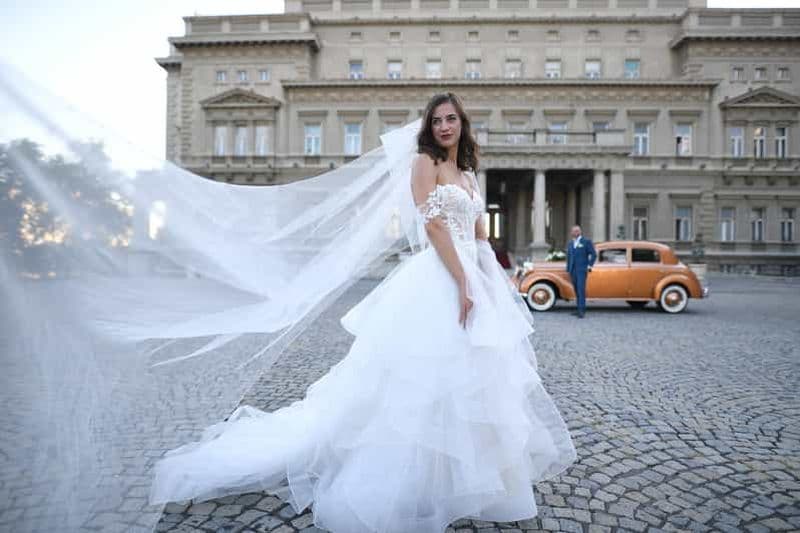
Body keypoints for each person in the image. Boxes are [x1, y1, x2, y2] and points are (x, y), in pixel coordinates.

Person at [148, 93, 578, 532]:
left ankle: (459, 477)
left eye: (451, 119)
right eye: (436, 121)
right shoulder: (424, 163)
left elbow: (479, 232)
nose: (444, 127)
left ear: (462, 124)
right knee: (420, 377)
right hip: (439, 278)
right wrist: (463, 281)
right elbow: (433, 226)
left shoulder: (467, 171)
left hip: (471, 276)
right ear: (428, 128)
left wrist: (492, 279)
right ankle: (407, 477)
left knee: (472, 377)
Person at [565, 224, 596, 318]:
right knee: (576, 290)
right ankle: (578, 308)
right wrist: (568, 269)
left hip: (582, 270)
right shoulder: (571, 243)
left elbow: (594, 254)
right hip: (573, 270)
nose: (574, 233)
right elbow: (569, 257)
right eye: (573, 231)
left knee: (581, 289)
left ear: (579, 232)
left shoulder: (586, 242)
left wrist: (589, 265)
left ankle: (581, 311)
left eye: (576, 231)